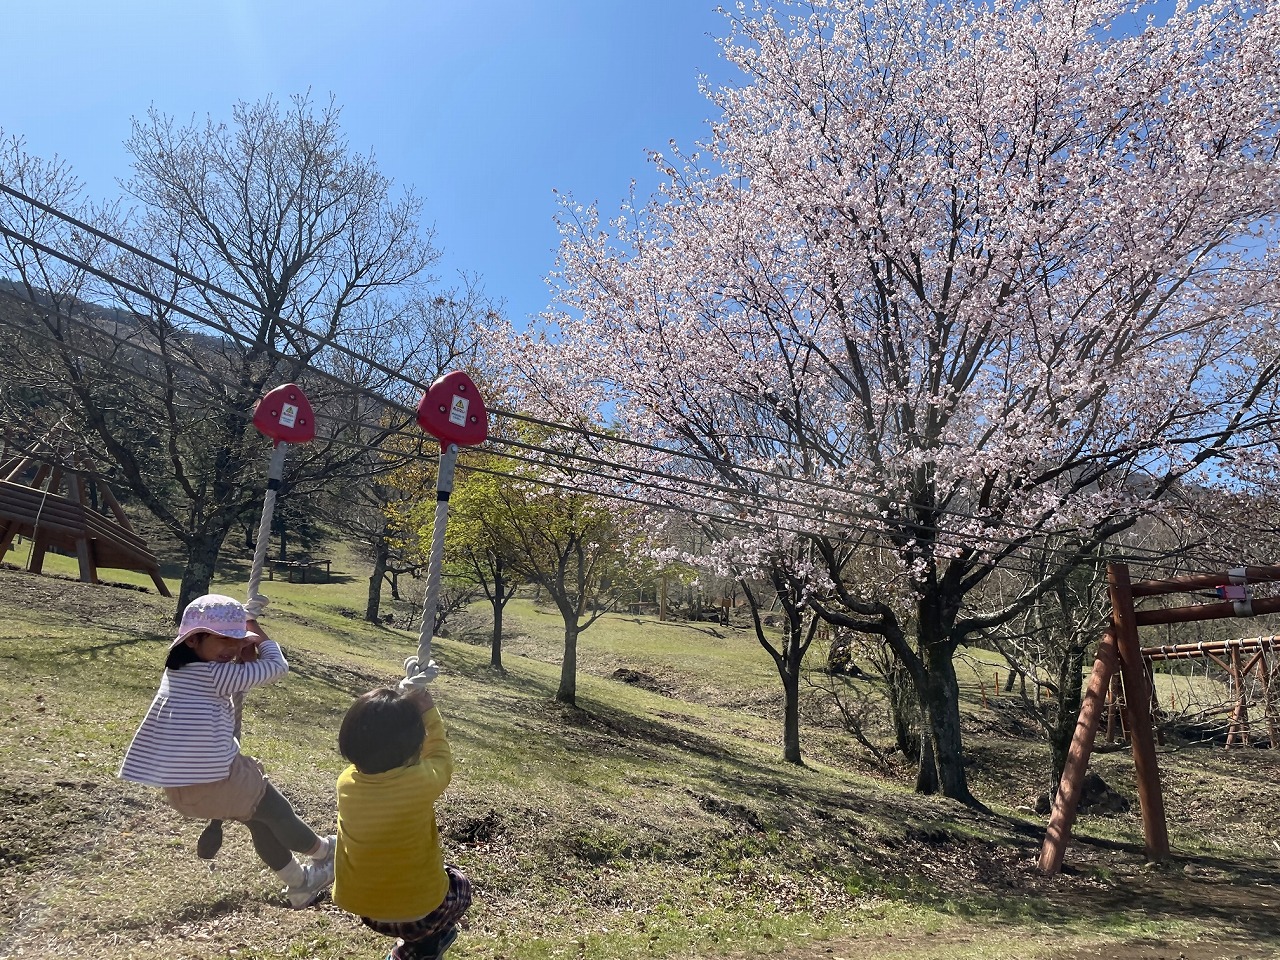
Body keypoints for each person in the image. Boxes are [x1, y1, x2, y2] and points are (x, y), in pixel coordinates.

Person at [119, 593, 335, 908]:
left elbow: (234, 683)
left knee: (260, 822)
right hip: (219, 781)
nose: (233, 648)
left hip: (184, 791)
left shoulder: (179, 673)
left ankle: (300, 883)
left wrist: (240, 653)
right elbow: (277, 667)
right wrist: (255, 631)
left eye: (238, 640)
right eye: (225, 640)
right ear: (193, 640)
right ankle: (326, 852)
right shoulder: (214, 675)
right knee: (277, 812)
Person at [333, 673, 471, 960]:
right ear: (414, 747)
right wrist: (428, 712)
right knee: (459, 884)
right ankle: (418, 949)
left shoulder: (346, 783)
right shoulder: (420, 782)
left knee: (418, 904)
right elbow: (441, 758)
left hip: (366, 909)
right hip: (420, 912)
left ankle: (417, 944)